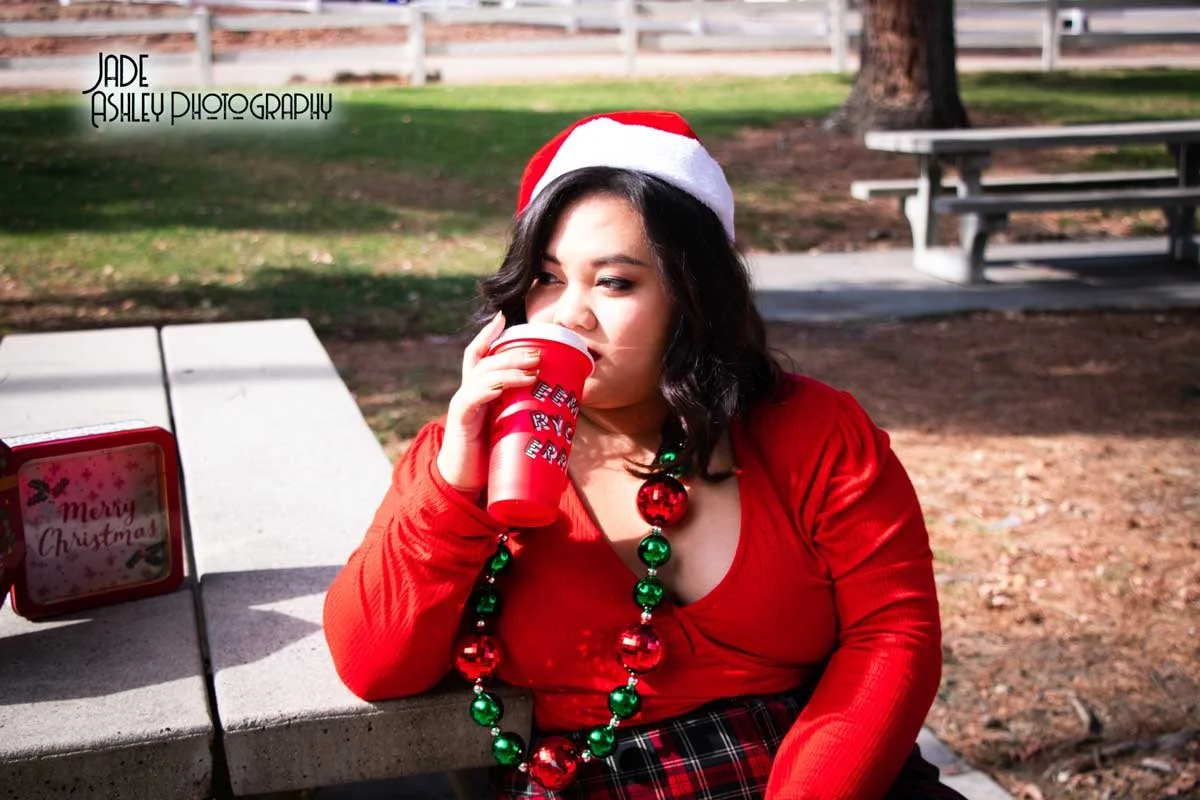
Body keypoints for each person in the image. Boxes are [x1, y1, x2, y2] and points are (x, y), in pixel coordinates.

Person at [323, 110, 965, 800]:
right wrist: (455, 482)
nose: (570, 313)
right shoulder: (465, 457)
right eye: (546, 278)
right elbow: (373, 664)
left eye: (615, 282)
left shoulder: (811, 429)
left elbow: (893, 635)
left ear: (693, 299)